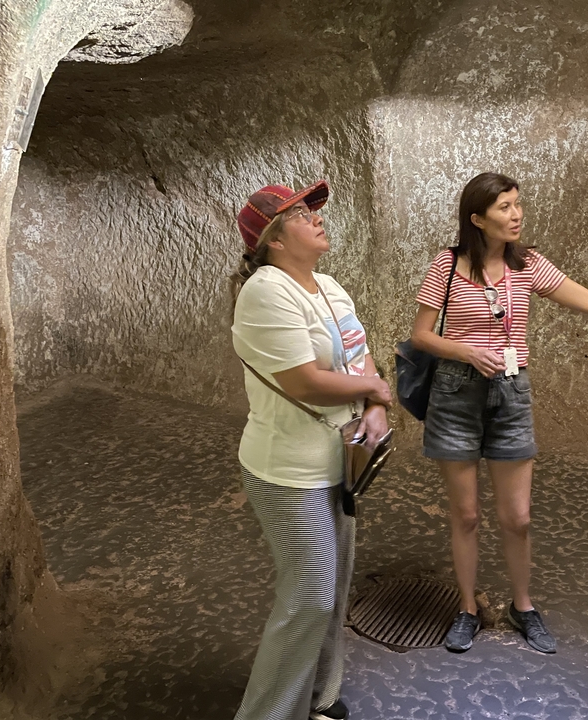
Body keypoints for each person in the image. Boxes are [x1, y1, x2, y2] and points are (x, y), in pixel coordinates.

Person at [410, 172, 588, 654]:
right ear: (477, 219)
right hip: (455, 396)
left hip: (510, 395)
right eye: (504, 207)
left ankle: (523, 607)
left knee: (518, 517)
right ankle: (467, 608)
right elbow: (420, 335)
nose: (516, 214)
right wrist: (463, 350)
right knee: (466, 514)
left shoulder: (528, 265)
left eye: (518, 204)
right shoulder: (449, 265)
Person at [230, 179, 392, 720]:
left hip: (337, 463)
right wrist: (376, 389)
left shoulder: (328, 286)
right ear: (274, 240)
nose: (317, 218)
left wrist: (375, 406)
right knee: (310, 598)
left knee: (334, 592)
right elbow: (305, 382)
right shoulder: (266, 291)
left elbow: (361, 356)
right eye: (301, 214)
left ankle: (320, 698)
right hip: (287, 471)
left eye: (312, 210)